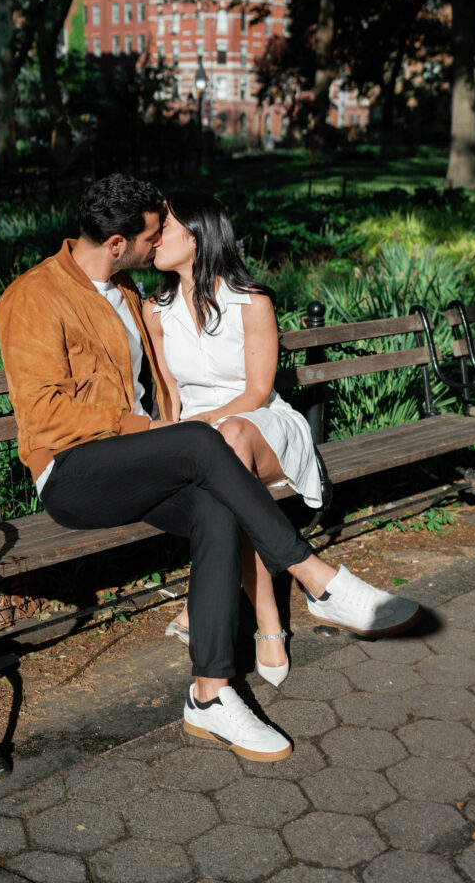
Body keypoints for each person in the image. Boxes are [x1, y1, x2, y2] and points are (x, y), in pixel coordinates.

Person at [0, 173, 421, 764]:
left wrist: (163, 430)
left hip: (137, 464)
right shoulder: (33, 297)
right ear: (117, 243)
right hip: (73, 474)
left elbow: (167, 388)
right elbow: (43, 415)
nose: (157, 243)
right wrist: (154, 431)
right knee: (197, 442)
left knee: (216, 508)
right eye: (151, 234)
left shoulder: (125, 294)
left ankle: (210, 693)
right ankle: (316, 577)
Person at [145, 190, 323, 687]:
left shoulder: (251, 301)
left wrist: (201, 428)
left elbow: (258, 391)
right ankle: (250, 611)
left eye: (166, 229)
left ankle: (264, 617)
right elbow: (170, 395)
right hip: (198, 436)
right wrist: (174, 435)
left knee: (231, 438)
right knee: (217, 464)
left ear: (199, 236)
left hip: (262, 424)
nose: (154, 239)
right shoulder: (156, 312)